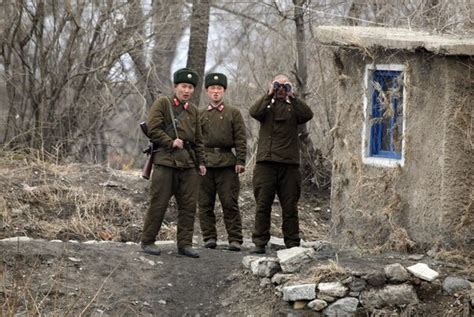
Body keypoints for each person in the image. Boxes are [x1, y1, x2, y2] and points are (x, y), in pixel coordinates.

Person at [141, 68, 206, 258]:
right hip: (165, 162)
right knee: (158, 203)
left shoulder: (193, 111)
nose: (187, 90)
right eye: (183, 86)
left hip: (188, 164)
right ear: (176, 86)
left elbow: (199, 139)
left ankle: (184, 244)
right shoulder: (163, 103)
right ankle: (148, 240)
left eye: (190, 87)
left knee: (188, 206)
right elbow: (153, 129)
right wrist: (171, 142)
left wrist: (201, 162)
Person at [249, 74, 314, 254]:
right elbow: (254, 112)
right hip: (266, 164)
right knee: (263, 205)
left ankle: (292, 243)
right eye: (278, 85)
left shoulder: (293, 108)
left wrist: (292, 95)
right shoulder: (266, 107)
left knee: (290, 206)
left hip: (289, 165)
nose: (280, 89)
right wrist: (269, 94)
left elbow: (308, 114)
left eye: (284, 86)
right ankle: (259, 243)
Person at [198, 73, 247, 251]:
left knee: (229, 202)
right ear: (207, 91)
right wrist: (198, 161)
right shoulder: (200, 114)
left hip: (227, 163)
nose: (216, 92)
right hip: (205, 164)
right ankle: (209, 237)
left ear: (224, 91)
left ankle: (235, 239)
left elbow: (241, 138)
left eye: (219, 89)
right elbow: (195, 140)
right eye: (212, 88)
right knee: (204, 203)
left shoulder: (233, 113)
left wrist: (241, 159)